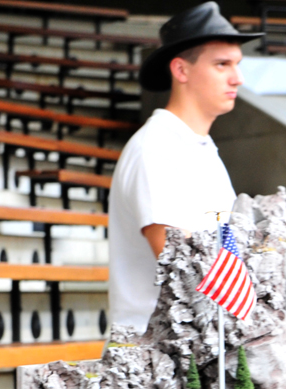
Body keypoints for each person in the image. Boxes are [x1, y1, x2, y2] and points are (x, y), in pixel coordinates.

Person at [106, 2, 260, 332]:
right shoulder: (156, 149)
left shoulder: (198, 148)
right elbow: (184, 267)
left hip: (198, 343)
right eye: (222, 64)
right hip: (155, 357)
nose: (238, 78)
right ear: (181, 70)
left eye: (237, 64)